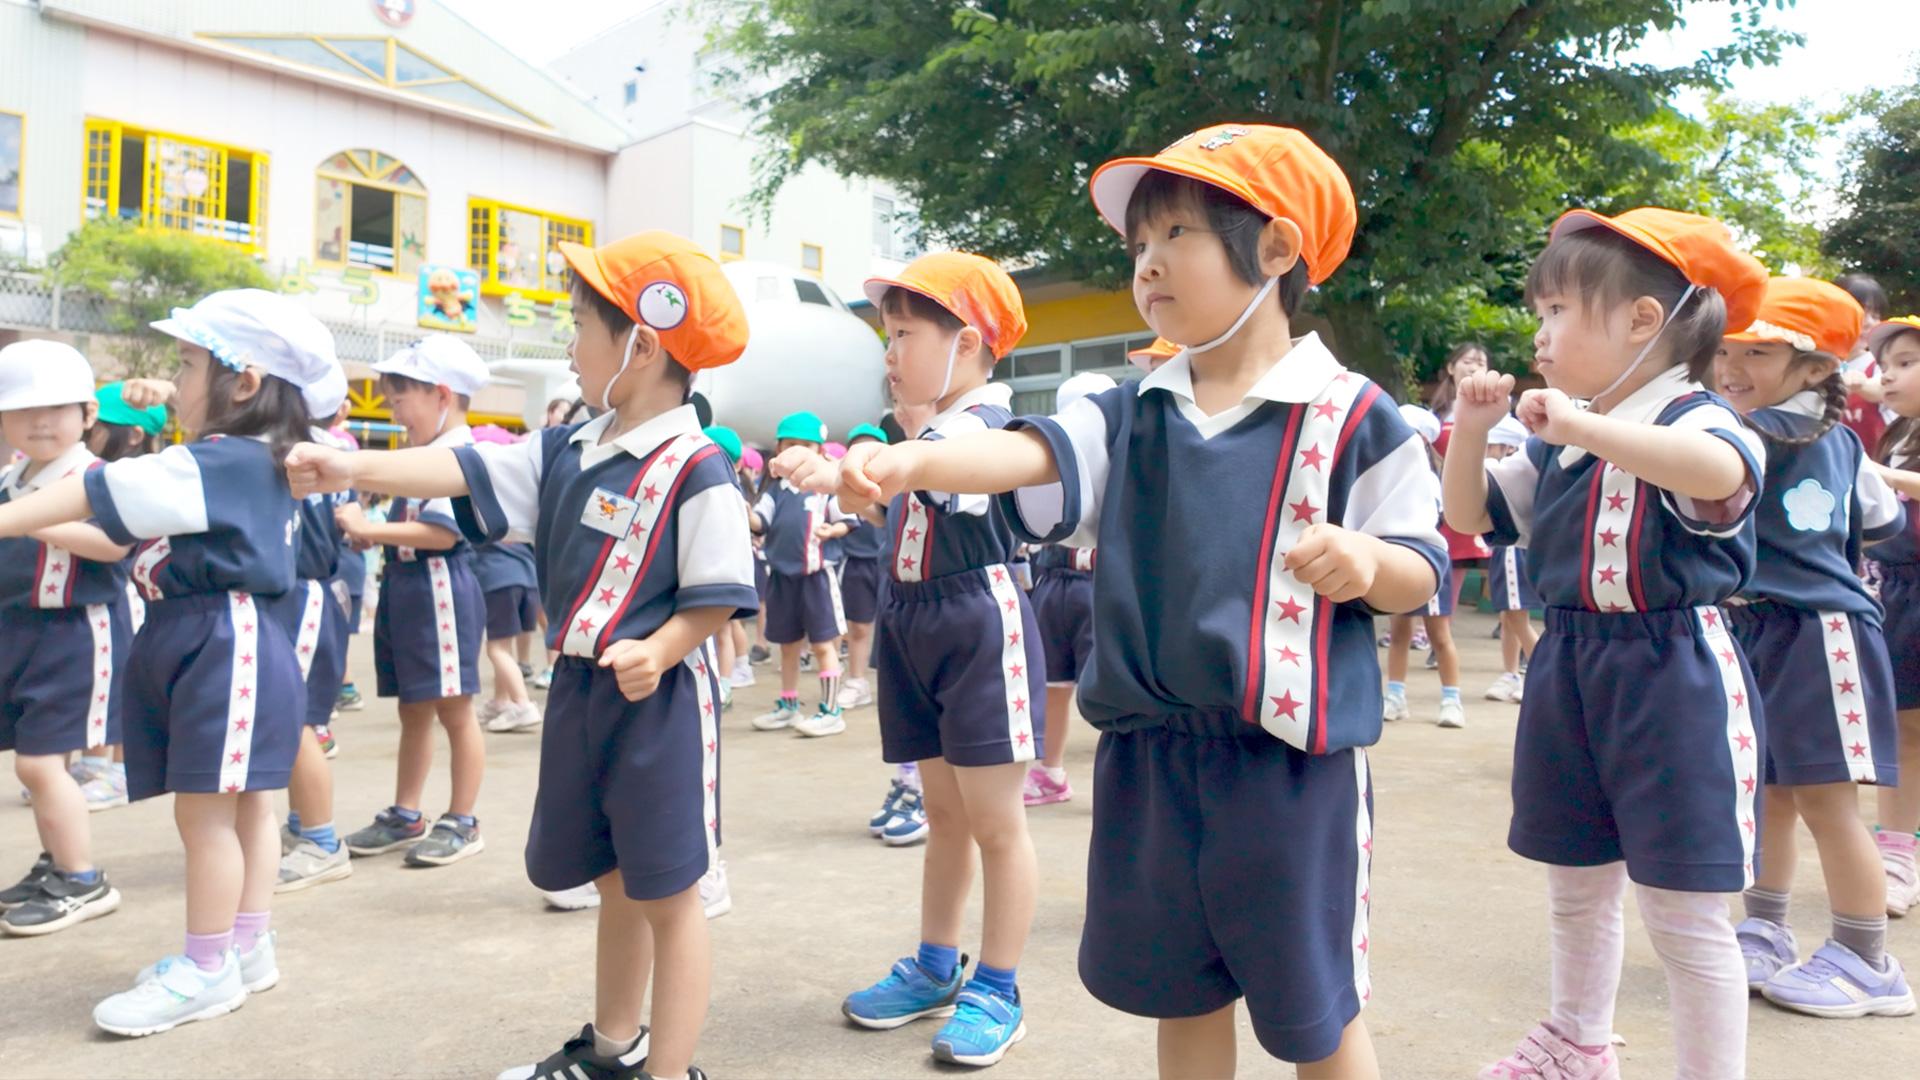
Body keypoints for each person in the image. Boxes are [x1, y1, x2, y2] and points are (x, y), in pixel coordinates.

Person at [787, 125, 1444, 1078]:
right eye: (1139, 245)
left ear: (1274, 249)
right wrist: (914, 458)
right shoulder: (1131, 409)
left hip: (1288, 767)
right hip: (1149, 757)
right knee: (1181, 995)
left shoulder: (1351, 412)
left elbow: (1420, 560)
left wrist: (1370, 563)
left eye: (1176, 233)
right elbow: (1026, 452)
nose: (1149, 264)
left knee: (1316, 1012)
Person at [287, 229, 750, 1080]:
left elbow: (720, 590)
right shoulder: (566, 449)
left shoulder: (698, 467)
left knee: (670, 895)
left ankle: (670, 1069)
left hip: (660, 708)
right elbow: (460, 469)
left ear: (641, 345)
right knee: (610, 877)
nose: (569, 346)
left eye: (580, 325)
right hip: (581, 693)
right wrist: (347, 463)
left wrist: (665, 646)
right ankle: (614, 1048)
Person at [1442, 207, 1770, 1079]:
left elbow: (1720, 475)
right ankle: (1577, 1040)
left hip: (1675, 676)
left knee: (1686, 912)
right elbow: (1471, 516)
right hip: (1571, 665)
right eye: (1539, 314)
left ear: (1640, 321)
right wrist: (1473, 431)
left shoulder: (1696, 418)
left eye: (1558, 313)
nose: (1540, 336)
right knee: (1576, 882)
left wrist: (1577, 427)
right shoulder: (1566, 437)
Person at [0, 290, 341, 1034]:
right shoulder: (256, 460)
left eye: (187, 365)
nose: (176, 383)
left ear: (243, 382)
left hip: (220, 639)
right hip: (231, 636)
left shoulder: (214, 463)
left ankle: (206, 966)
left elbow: (89, 491)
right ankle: (245, 946)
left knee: (207, 814)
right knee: (246, 803)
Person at [775, 250, 1047, 1068]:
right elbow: (882, 480)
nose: (888, 354)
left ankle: (997, 987)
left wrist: (833, 472)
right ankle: (936, 965)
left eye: (901, 335)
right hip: (916, 622)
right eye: (887, 336)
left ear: (964, 343)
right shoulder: (925, 430)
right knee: (947, 819)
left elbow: (901, 482)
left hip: (976, 623)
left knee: (997, 824)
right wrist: (839, 472)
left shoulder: (981, 429)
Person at [1711, 277, 1915, 1019]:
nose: (1734, 363)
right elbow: (1883, 519)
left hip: (1819, 629)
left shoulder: (1741, 432)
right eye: (1726, 347)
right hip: (1758, 626)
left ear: (1819, 368)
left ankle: (1868, 959)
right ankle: (1764, 925)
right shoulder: (1835, 441)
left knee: (1828, 798)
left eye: (1759, 351)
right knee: (1767, 791)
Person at [337, 335, 492, 867]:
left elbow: (443, 535)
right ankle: (407, 812)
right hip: (408, 586)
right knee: (413, 708)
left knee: (454, 708)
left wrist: (370, 531)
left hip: (439, 586)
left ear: (442, 395)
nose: (394, 410)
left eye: (401, 398)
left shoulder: (457, 456)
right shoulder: (425, 454)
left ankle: (463, 820)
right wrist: (373, 535)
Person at [0, 341, 132, 936]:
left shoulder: (97, 476)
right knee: (35, 764)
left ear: (88, 414)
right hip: (20, 633)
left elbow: (115, 545)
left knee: (40, 764)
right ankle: (58, 864)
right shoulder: (10, 477)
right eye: (24, 410)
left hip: (78, 631)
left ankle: (83, 879)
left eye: (56, 408)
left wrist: (34, 517)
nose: (39, 421)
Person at [272, 376, 358, 893]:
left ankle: (323, 840)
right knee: (292, 717)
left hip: (307, 593)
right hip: (306, 594)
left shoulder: (298, 451)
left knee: (299, 720)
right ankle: (305, 823)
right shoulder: (314, 446)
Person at [1024, 372, 1116, 807]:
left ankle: (1120, 782)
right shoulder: (1046, 465)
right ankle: (1049, 772)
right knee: (1053, 683)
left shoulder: (1125, 461)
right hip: (1056, 580)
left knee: (1110, 686)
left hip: (1101, 584)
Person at [1863, 313, 1920, 919]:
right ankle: (1898, 853)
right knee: (1903, 728)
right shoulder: (1892, 432)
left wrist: (1881, 475)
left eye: (1907, 363)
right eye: (1886, 364)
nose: (1889, 375)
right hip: (1896, 590)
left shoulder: (1889, 453)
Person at [748, 410, 852, 738]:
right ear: (779, 449)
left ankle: (831, 710)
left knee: (823, 644)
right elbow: (760, 522)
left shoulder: (826, 489)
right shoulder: (775, 491)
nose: (797, 452)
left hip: (817, 576)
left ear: (820, 451)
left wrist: (832, 530)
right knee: (788, 645)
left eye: (806, 446)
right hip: (781, 577)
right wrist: (740, 510)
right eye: (790, 445)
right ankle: (788, 705)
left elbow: (850, 520)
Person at [835, 423, 893, 712]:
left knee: (892, 628)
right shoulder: (843, 489)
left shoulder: (895, 487)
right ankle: (856, 681)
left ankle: (893, 685)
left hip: (889, 564)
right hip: (857, 562)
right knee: (857, 627)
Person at [1483, 416, 1541, 704]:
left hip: (1511, 552)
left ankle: (1541, 673)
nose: (1486, 449)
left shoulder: (1501, 470)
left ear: (1506, 447)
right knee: (1508, 617)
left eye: (1491, 444)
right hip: (1505, 551)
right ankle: (1511, 674)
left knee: (1516, 616)